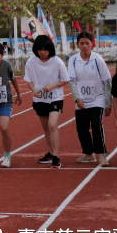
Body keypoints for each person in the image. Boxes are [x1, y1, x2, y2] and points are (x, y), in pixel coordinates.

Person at [68, 32, 116, 167]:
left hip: (98, 99)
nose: (84, 46)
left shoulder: (97, 59)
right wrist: (77, 98)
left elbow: (107, 81)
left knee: (96, 124)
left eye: (87, 43)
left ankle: (102, 154)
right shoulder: (73, 60)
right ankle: (88, 154)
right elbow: (71, 80)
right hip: (82, 100)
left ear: (92, 44)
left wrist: (108, 103)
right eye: (81, 43)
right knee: (82, 128)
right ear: (77, 45)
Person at [24, 35, 70, 169]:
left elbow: (65, 79)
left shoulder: (57, 62)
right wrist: (33, 90)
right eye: (39, 49)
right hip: (39, 99)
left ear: (50, 49)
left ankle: (56, 157)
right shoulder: (31, 62)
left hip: (55, 97)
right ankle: (50, 153)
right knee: (46, 128)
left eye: (45, 49)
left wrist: (53, 86)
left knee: (52, 125)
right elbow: (29, 80)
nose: (42, 52)